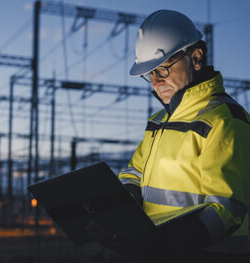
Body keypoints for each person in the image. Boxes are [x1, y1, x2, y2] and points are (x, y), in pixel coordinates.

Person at [87, 9, 250, 263]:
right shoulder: (158, 122)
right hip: (160, 251)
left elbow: (225, 209)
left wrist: (158, 243)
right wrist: (122, 209)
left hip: (210, 255)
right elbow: (134, 173)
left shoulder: (225, 120)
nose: (155, 82)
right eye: (149, 74)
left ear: (196, 58)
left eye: (162, 70)